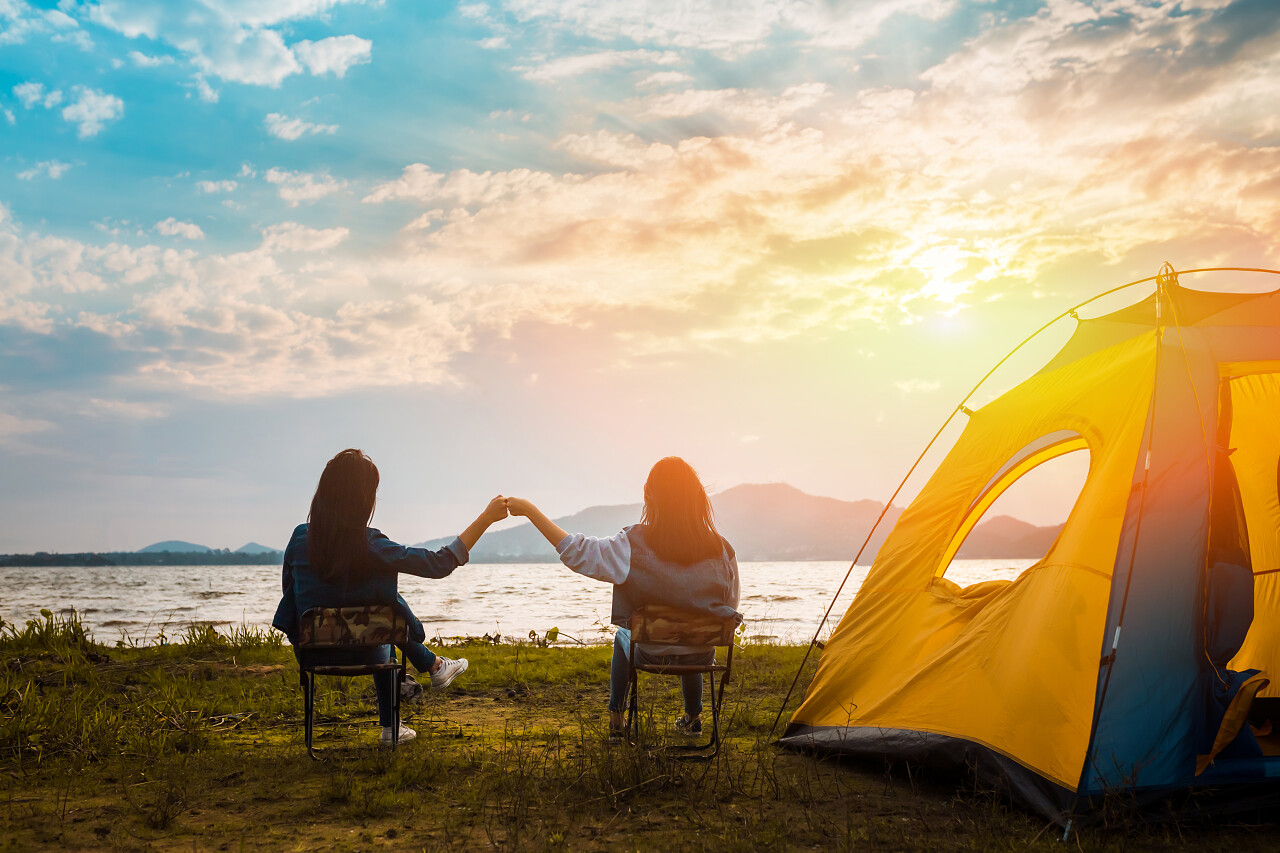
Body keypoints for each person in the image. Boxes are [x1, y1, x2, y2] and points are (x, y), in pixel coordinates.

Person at [272, 448, 508, 745]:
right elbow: (438, 564)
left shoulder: (299, 537)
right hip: (368, 653)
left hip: (312, 652)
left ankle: (433, 668)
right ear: (362, 500)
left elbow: (289, 595)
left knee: (380, 615)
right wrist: (486, 518)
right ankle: (393, 725)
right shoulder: (371, 543)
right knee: (385, 621)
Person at [506, 457, 740, 739]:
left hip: (649, 652)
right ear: (696, 499)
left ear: (650, 497)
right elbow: (731, 605)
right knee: (691, 634)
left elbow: (577, 552)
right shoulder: (723, 550)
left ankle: (617, 719)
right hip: (702, 652)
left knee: (622, 635)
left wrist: (531, 511)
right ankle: (694, 719)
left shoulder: (632, 545)